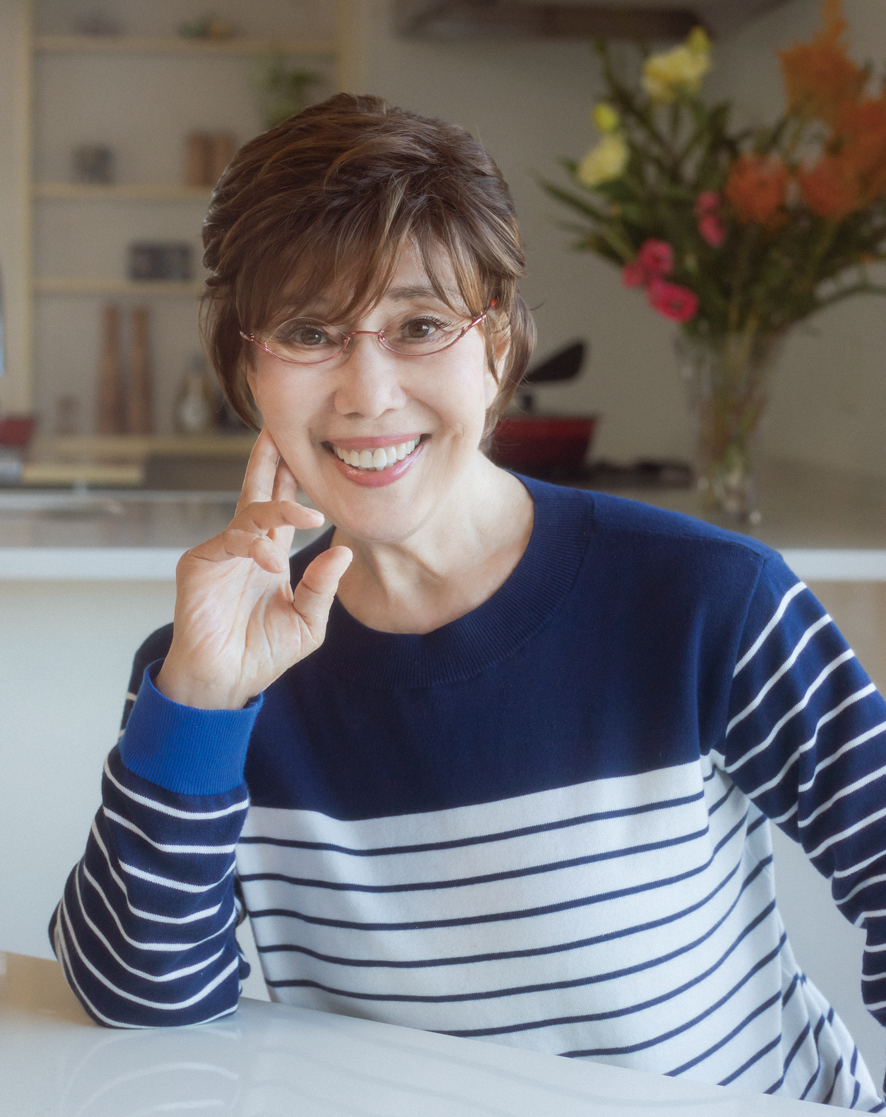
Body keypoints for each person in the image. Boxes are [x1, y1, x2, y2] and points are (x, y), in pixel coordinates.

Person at [51, 93, 886, 1110]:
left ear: (497, 345)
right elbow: (140, 1004)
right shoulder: (216, 667)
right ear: (245, 368)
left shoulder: (704, 598)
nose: (367, 393)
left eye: (420, 325)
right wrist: (200, 699)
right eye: (309, 331)